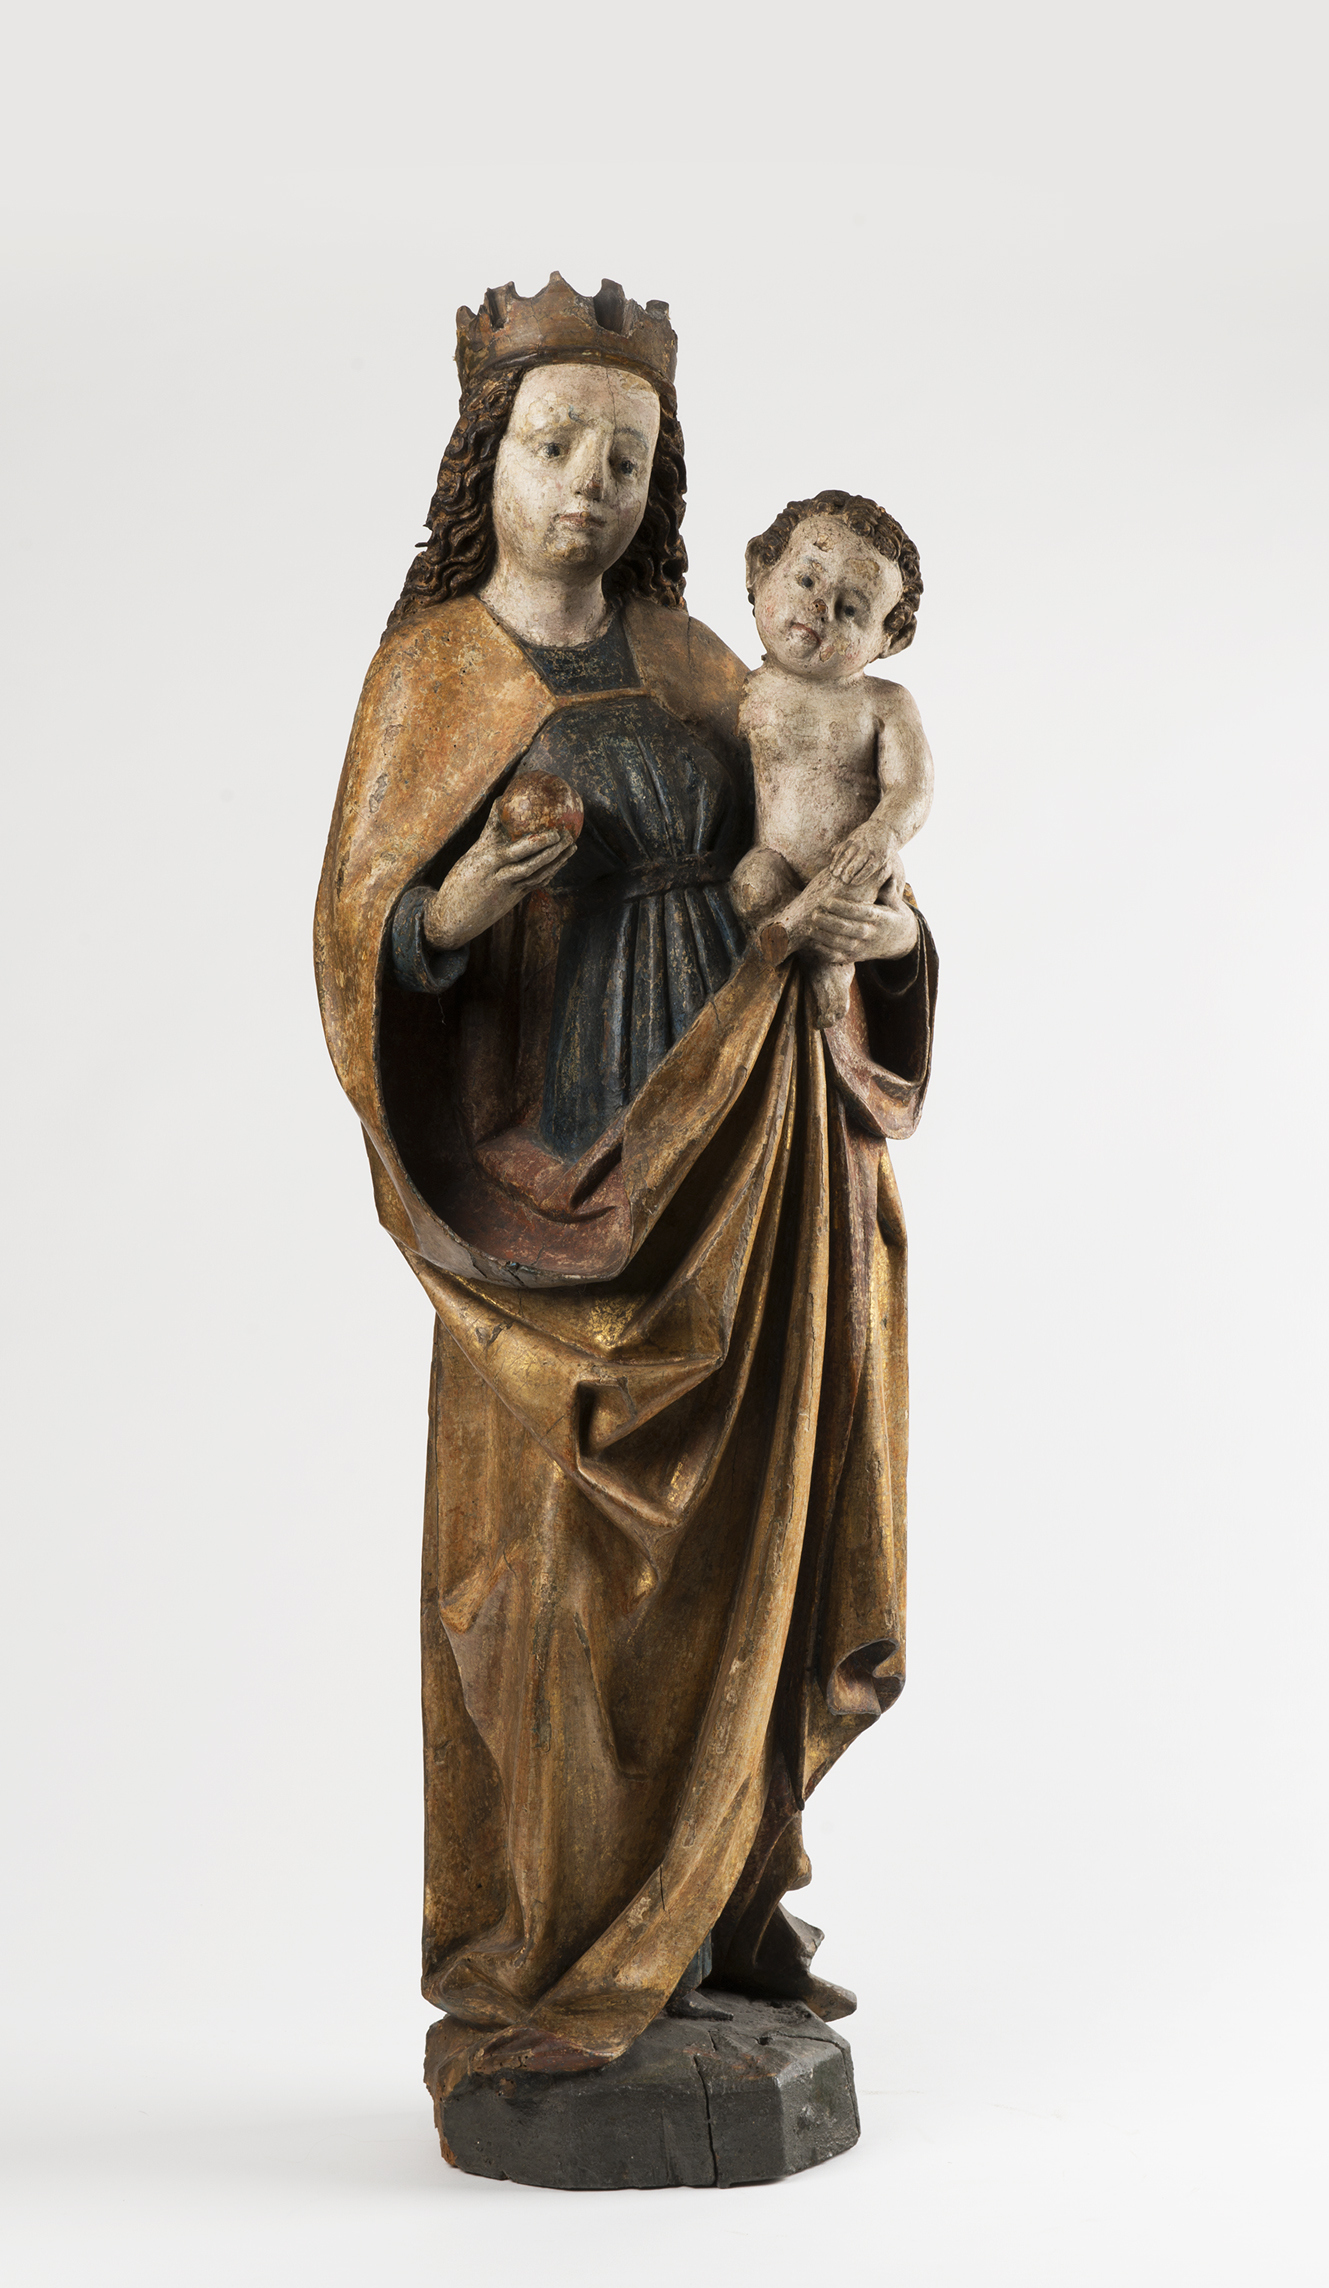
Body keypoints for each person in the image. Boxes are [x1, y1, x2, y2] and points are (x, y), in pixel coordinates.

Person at [314, 275, 938, 2099]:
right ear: (484, 460)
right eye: (553, 445)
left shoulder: (698, 660)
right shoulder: (432, 673)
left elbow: (817, 837)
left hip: (739, 1144)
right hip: (545, 1178)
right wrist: (452, 908)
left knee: (740, 1533)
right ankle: (546, 1941)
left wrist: (889, 937)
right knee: (545, 1574)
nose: (588, 484)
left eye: (626, 455)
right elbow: (358, 938)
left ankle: (706, 1908)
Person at [732, 491, 933, 1029]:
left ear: (890, 637)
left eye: (850, 610)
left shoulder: (884, 703)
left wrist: (881, 834)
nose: (819, 609)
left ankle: (817, 951)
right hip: (773, 868)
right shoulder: (744, 694)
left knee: (855, 878)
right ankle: (808, 945)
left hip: (856, 863)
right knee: (752, 883)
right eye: (806, 580)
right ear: (759, 569)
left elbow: (912, 787)